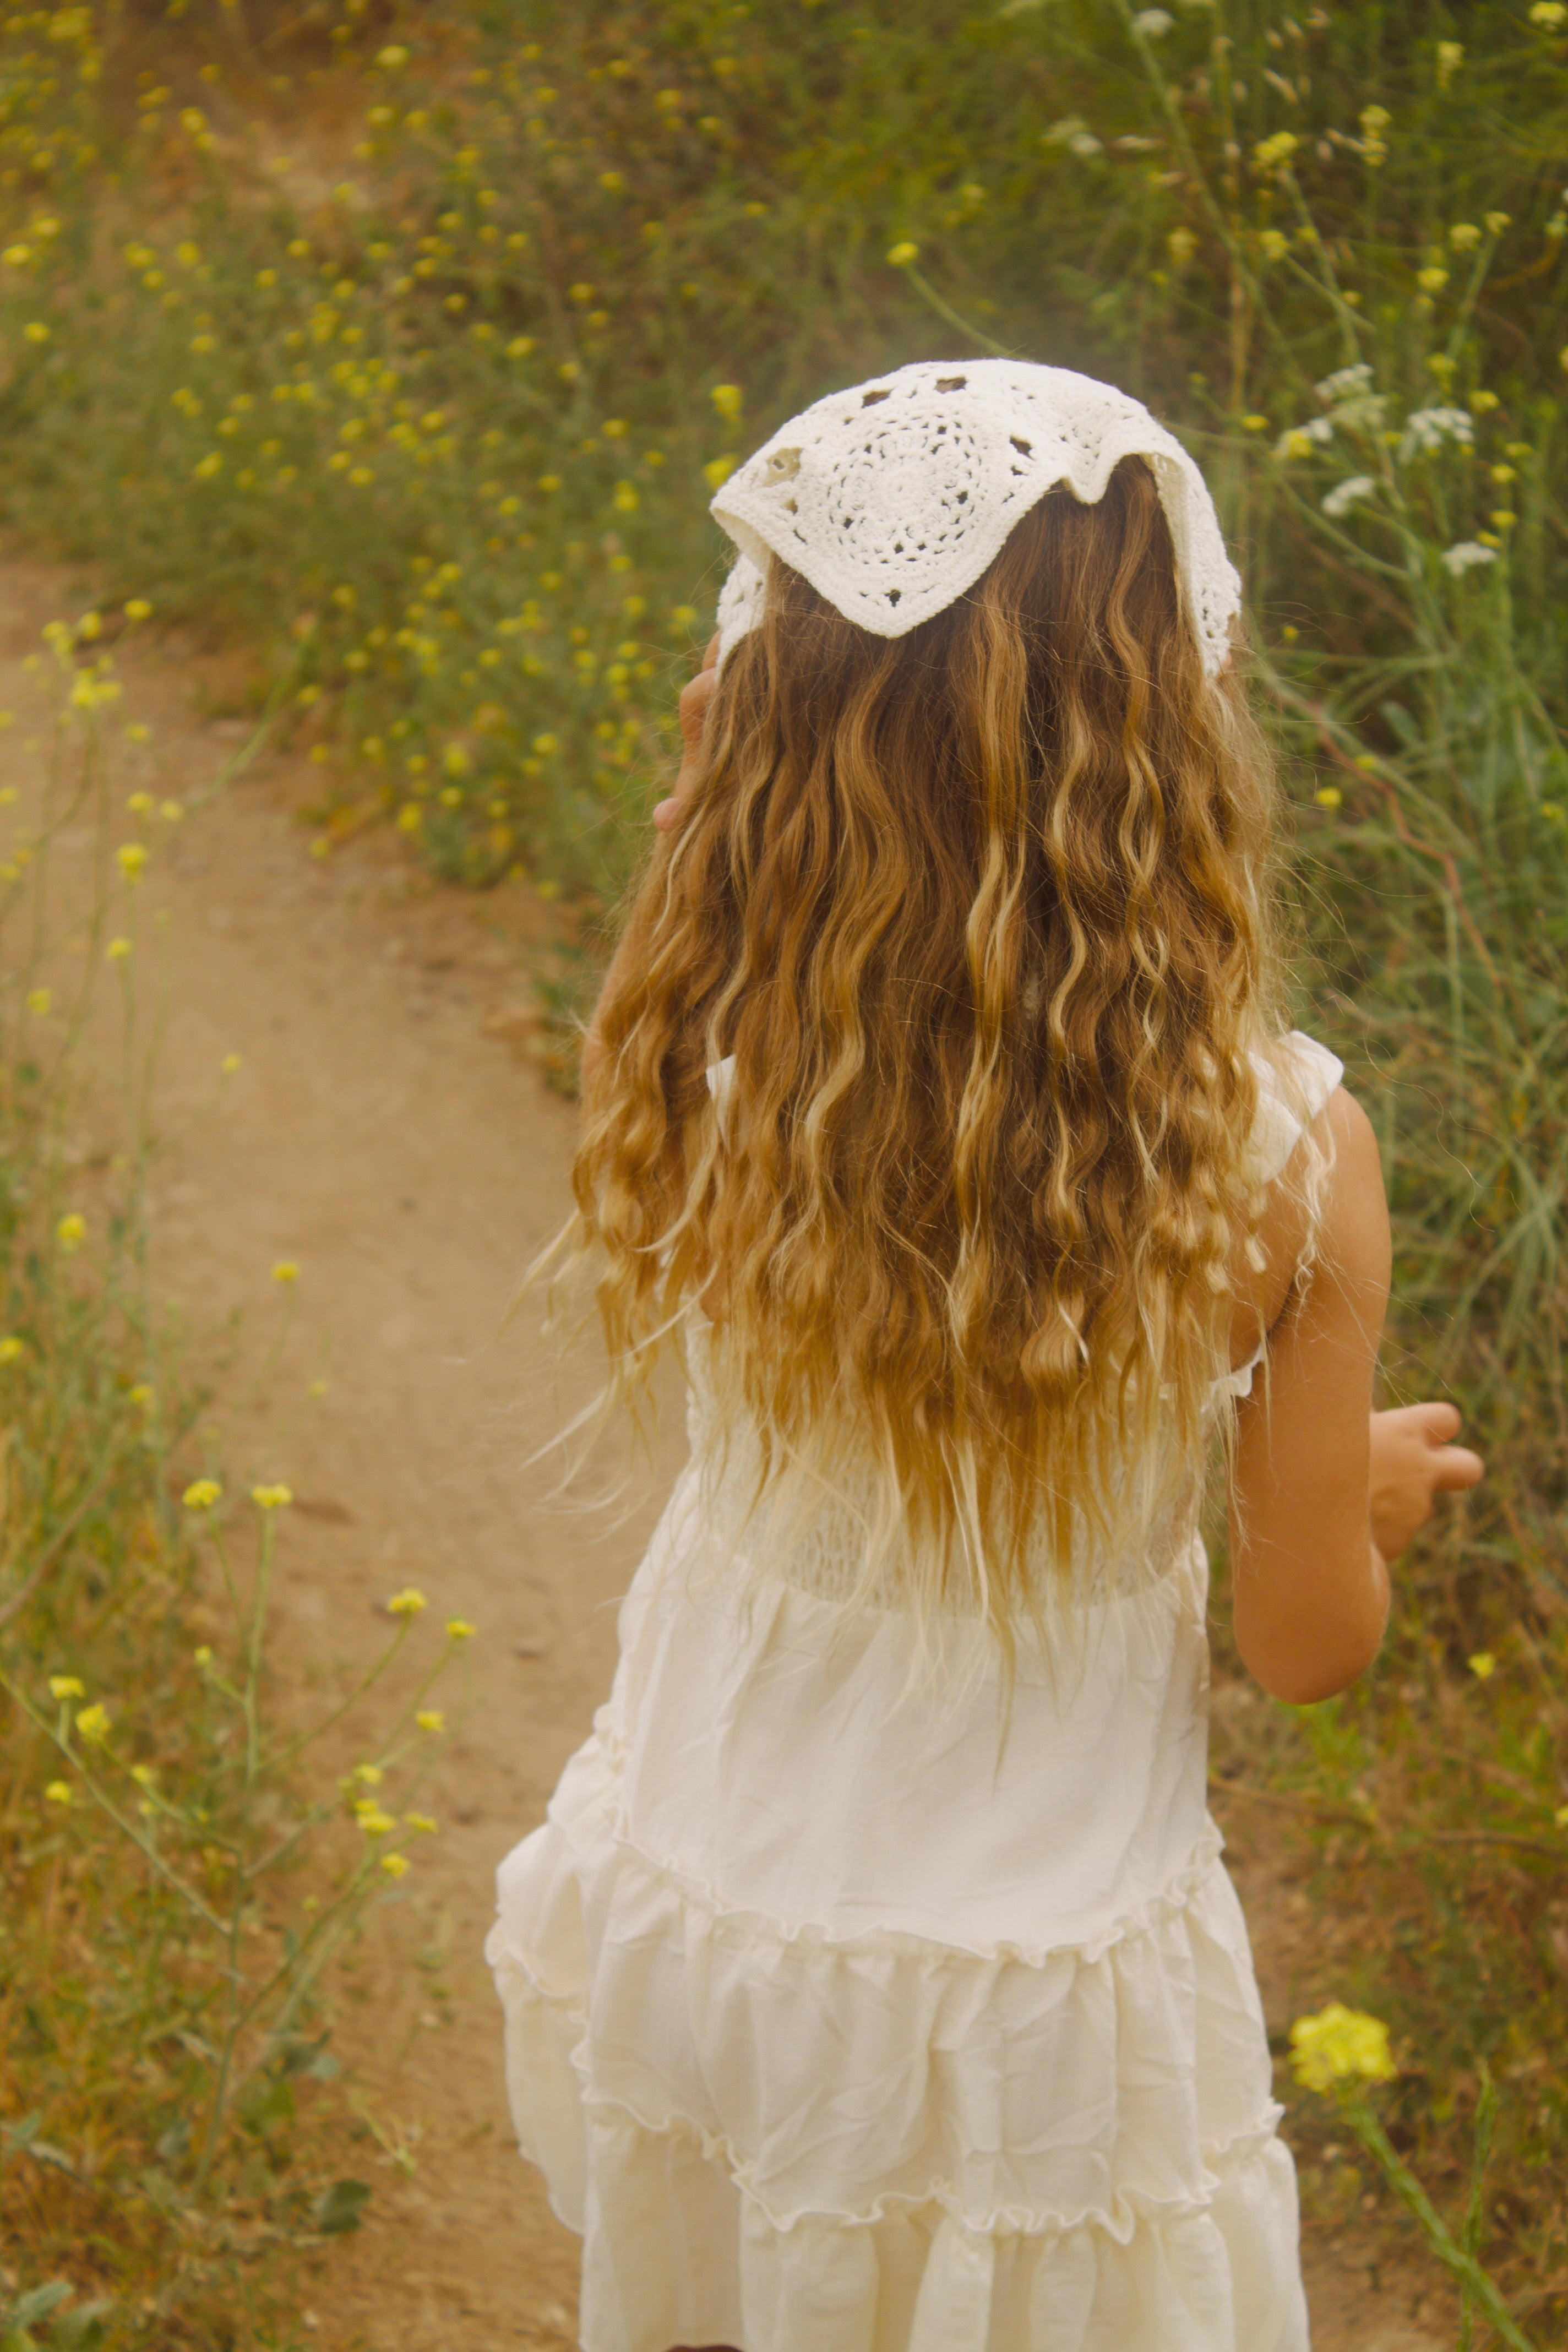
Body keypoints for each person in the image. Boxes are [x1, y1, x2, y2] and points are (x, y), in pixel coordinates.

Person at [487, 360, 1484, 2352]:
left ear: (776, 712)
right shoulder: (1287, 1148)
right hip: (1043, 2011)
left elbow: (697, 909)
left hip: (728, 1913)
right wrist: (1353, 1496)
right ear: (1179, 716)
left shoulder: (729, 1046)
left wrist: (714, 806)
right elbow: (1308, 1642)